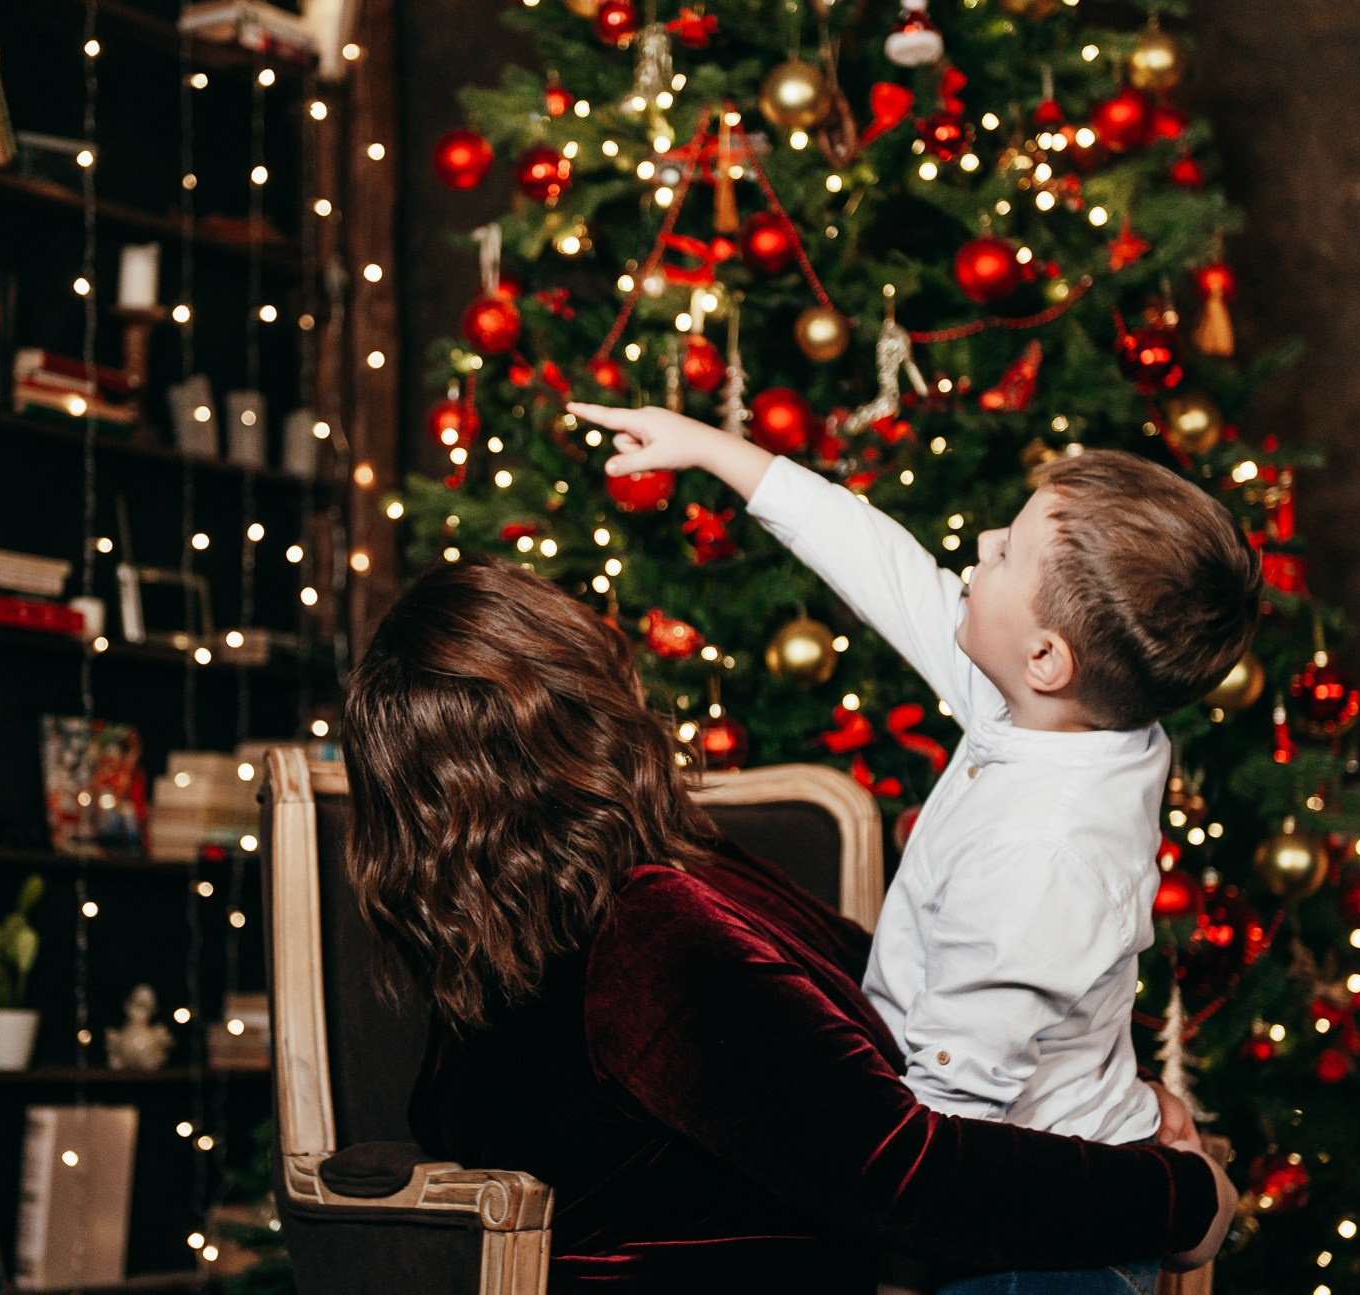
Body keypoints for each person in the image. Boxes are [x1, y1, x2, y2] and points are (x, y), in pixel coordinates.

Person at [341, 556, 1237, 1294]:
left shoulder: (588, 897)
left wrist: (1105, 1103)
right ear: (574, 704)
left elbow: (885, 1002)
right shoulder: (645, 935)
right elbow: (909, 1172)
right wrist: (1182, 1198)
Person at [570, 400, 1260, 1294]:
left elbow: (951, 1128)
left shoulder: (1044, 852)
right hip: (1002, 1170)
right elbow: (886, 567)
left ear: (1048, 656)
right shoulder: (1049, 713)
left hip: (1030, 1235)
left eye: (1004, 552)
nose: (977, 545)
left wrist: (889, 1273)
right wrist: (715, 452)